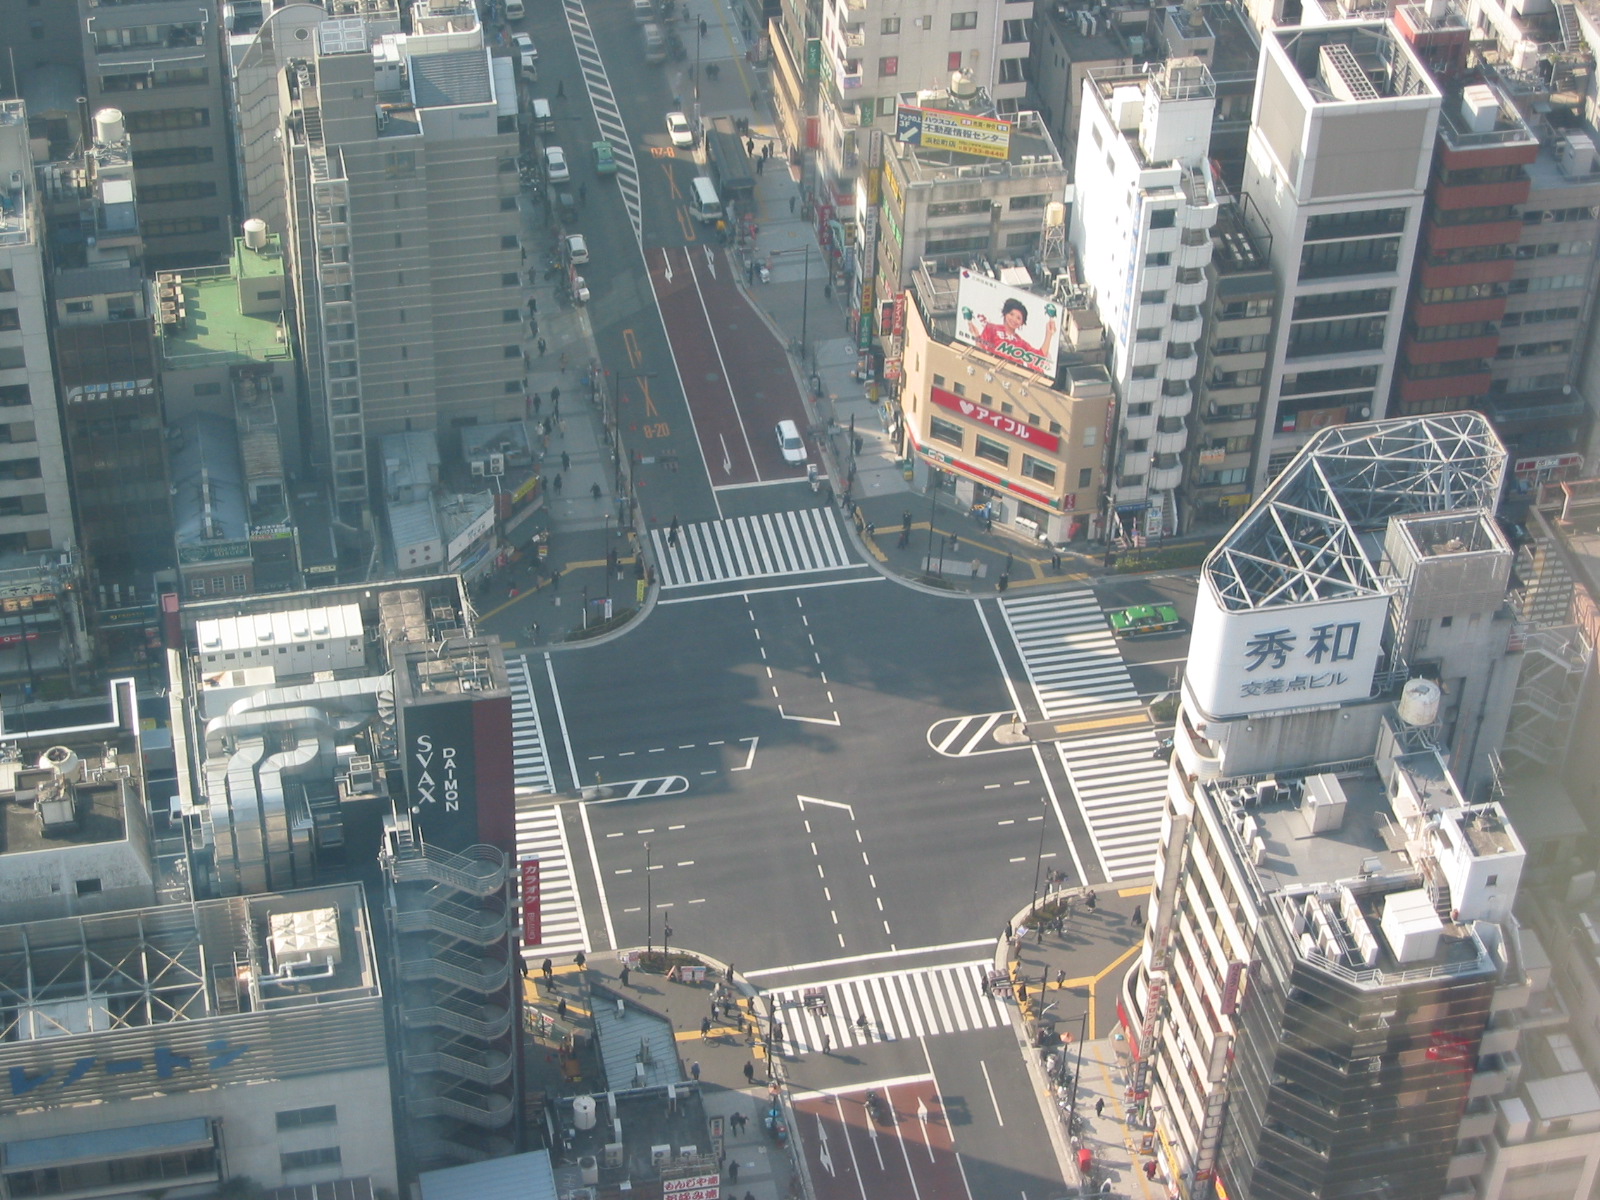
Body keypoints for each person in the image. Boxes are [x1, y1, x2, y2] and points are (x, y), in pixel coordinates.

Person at [965, 296, 1057, 375]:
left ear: (1022, 323)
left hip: (1013, 377)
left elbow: (1039, 357)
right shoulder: (991, 328)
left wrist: (1049, 334)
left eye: (1018, 318)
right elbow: (981, 350)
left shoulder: (1021, 343)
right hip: (990, 372)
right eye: (1011, 314)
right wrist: (976, 336)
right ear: (1005, 314)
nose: (1014, 319)